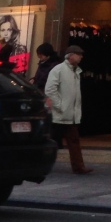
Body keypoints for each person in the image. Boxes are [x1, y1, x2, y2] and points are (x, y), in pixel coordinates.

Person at [45, 45, 92, 174]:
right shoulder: (59, 69)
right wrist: (60, 106)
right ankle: (41, 164)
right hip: (60, 115)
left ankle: (78, 166)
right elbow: (50, 90)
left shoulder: (76, 71)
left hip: (70, 115)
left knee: (73, 141)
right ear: (70, 55)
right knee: (52, 142)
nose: (81, 57)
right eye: (78, 54)